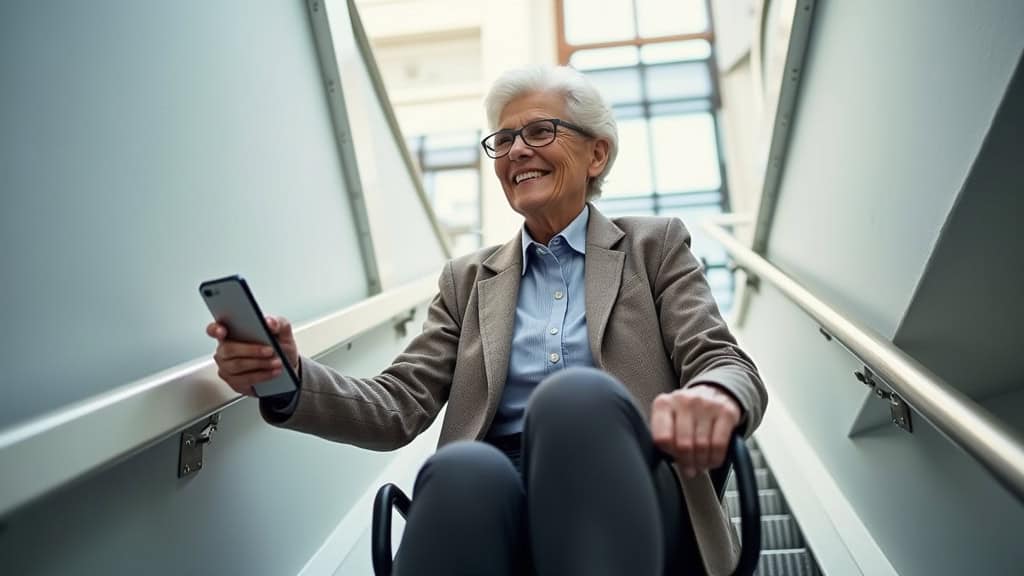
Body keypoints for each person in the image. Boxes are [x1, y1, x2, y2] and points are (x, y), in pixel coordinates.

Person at [207, 65, 766, 576]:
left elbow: (721, 359)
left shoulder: (654, 246)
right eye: (504, 140)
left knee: (573, 401)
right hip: (494, 500)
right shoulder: (465, 280)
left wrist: (716, 396)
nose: (517, 151)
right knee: (462, 471)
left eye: (540, 132)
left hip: (623, 481)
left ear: (597, 155)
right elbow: (397, 405)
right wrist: (289, 378)